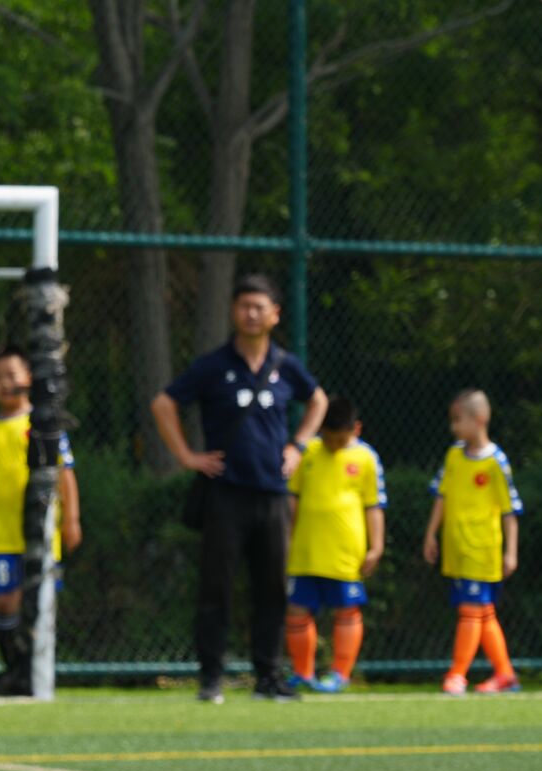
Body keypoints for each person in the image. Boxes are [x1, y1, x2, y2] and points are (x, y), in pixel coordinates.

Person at [151, 275, 329, 703]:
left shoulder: (286, 365)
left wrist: (298, 447)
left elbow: (319, 400)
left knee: (271, 588)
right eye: (244, 305)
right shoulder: (214, 365)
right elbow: (163, 403)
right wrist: (187, 457)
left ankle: (268, 677)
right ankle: (211, 678)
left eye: (259, 306)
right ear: (233, 312)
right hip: (225, 493)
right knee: (217, 587)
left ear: (274, 314)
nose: (251, 313)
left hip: (272, 495)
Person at [0, 345, 82, 696]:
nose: (5, 383)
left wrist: (70, 519)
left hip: (41, 535)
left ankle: (34, 672)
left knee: (39, 602)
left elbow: (66, 474)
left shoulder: (45, 424)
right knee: (5, 601)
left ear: (29, 378)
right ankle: (14, 669)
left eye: (11, 374)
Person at [284, 394, 385, 693]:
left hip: (345, 551)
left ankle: (340, 673)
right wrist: (286, 537)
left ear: (356, 429)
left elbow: (374, 505)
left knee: (346, 609)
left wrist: (376, 546)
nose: (332, 445)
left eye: (339, 439)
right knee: (297, 608)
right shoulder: (308, 453)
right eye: (328, 438)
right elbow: (293, 498)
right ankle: (303, 672)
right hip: (305, 549)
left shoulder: (367, 458)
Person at [424, 390, 522, 695]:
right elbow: (441, 496)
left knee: (470, 609)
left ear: (479, 420)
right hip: (457, 549)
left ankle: (457, 674)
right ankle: (505, 674)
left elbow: (509, 511)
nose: (453, 427)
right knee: (483, 611)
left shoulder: (496, 462)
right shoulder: (453, 455)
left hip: (483, 549)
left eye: (458, 420)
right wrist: (430, 534)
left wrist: (511, 551)